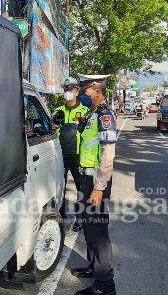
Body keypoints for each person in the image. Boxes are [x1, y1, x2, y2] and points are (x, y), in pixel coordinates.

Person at [71, 74, 117, 295]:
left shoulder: (105, 115)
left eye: (86, 89)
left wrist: (99, 187)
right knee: (89, 226)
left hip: (96, 181)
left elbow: (108, 154)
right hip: (85, 178)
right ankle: (93, 267)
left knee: (98, 231)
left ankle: (105, 286)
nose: (82, 93)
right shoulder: (92, 114)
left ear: (98, 90)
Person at [54, 77, 89, 232]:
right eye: (65, 90)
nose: (67, 93)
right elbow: (53, 132)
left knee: (81, 188)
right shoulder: (59, 111)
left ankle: (79, 218)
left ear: (76, 92)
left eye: (70, 90)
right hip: (60, 155)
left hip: (77, 156)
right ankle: (60, 214)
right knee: (59, 186)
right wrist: (54, 126)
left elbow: (89, 135)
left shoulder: (85, 111)